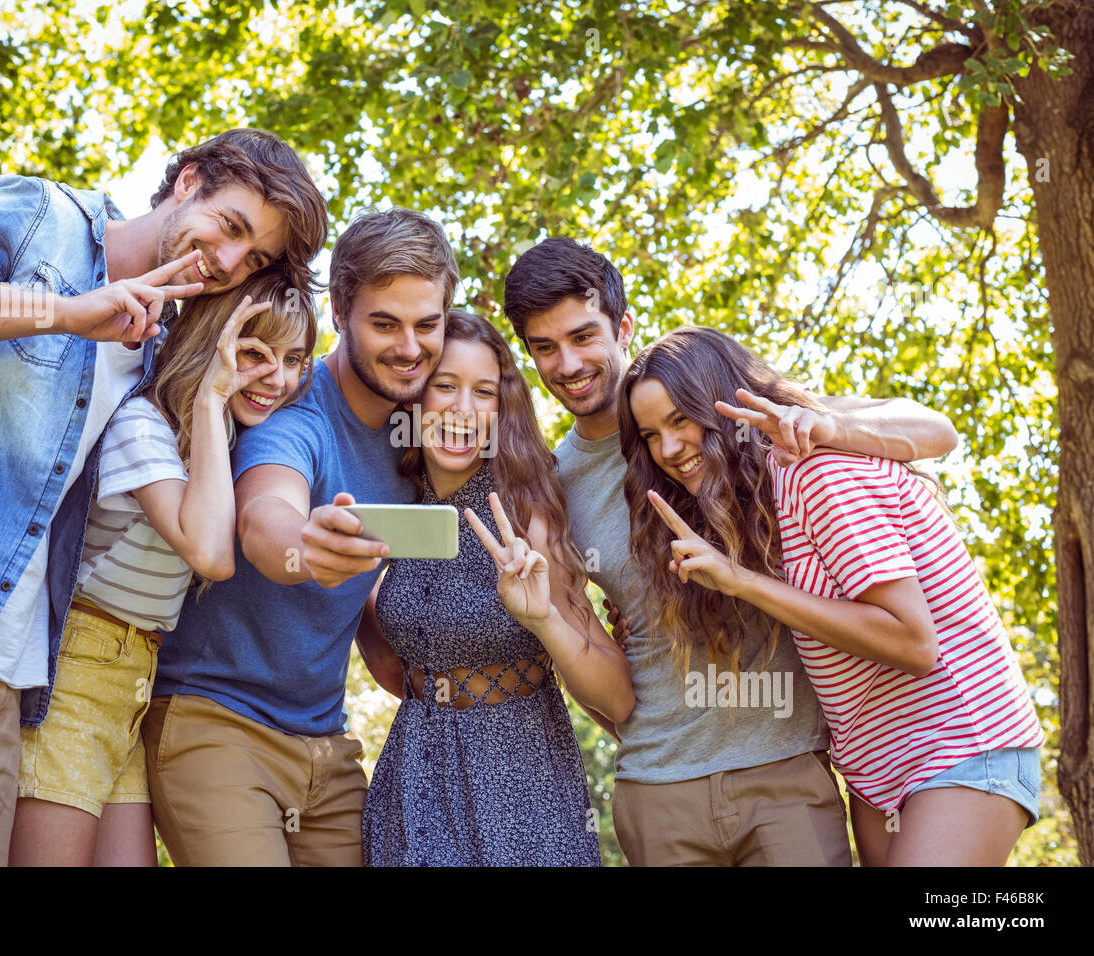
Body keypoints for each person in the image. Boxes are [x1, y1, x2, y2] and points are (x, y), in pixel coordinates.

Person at [0, 128, 327, 866]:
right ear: (189, 180)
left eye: (256, 257)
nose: (231, 262)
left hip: (13, 667)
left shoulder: (160, 345)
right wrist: (70, 311)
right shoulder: (43, 218)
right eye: (231, 227)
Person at [502, 237, 961, 866]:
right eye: (544, 347)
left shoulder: (724, 409)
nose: (568, 363)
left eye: (583, 336)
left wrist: (830, 425)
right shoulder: (554, 488)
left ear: (623, 326)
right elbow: (593, 658)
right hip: (659, 787)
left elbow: (935, 430)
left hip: (788, 770)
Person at [618, 326, 1046, 867]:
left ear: (727, 406)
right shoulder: (750, 503)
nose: (669, 448)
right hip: (875, 766)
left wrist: (743, 582)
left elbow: (914, 642)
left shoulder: (815, 471)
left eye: (681, 420)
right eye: (651, 434)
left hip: (962, 740)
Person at [143, 207, 459, 866]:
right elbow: (264, 516)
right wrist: (306, 544)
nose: (409, 347)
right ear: (340, 312)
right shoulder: (293, 409)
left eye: (427, 325)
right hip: (216, 721)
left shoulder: (422, 432)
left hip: (325, 743)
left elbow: (364, 596)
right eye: (384, 323)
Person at [9, 271, 318, 866]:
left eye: (294, 359)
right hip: (79, 669)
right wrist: (209, 396)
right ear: (210, 343)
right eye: (254, 353)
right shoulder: (142, 426)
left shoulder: (218, 439)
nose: (275, 377)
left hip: (135, 677)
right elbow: (211, 555)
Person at [353, 310, 633, 866]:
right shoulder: (392, 497)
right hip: (414, 779)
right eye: (445, 386)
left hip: (524, 776)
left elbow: (617, 696)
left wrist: (544, 620)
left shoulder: (527, 506)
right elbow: (389, 657)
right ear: (413, 397)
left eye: (484, 391)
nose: (462, 410)